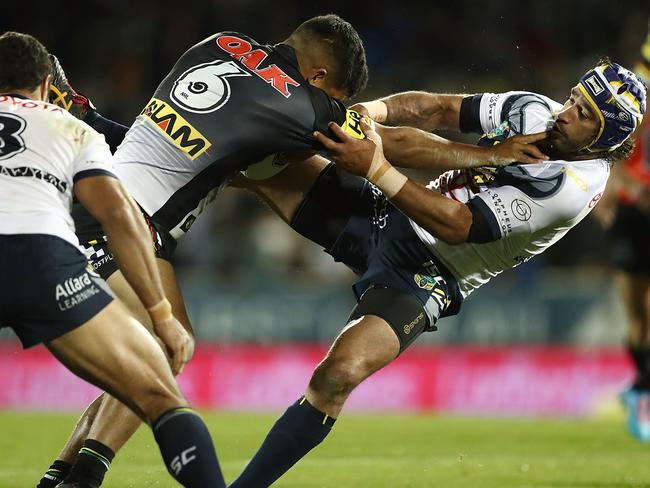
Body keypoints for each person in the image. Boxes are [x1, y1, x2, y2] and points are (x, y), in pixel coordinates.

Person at [38, 14, 549, 486]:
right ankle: (85, 476)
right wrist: (486, 153)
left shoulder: (216, 44)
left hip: (107, 201)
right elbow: (390, 144)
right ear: (321, 75)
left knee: (150, 350)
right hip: (126, 226)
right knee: (168, 347)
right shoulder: (299, 103)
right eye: (339, 96)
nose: (338, 107)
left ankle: (61, 472)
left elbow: (189, 153)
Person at [226, 58, 647, 487]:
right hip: (386, 215)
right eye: (574, 97)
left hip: (430, 273)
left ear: (605, 138)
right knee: (261, 154)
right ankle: (161, 197)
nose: (565, 113)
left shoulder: (569, 188)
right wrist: (364, 116)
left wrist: (374, 167)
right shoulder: (534, 110)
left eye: (582, 114)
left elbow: (457, 225)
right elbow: (437, 109)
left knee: (339, 374)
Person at [0, 32, 226, 487]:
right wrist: (161, 315)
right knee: (158, 391)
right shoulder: (71, 127)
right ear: (46, 84)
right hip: (41, 258)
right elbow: (119, 216)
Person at [591, 20, 650, 442]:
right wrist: (613, 191)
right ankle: (640, 386)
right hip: (634, 213)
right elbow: (613, 151)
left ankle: (644, 388)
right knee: (638, 316)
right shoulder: (637, 97)